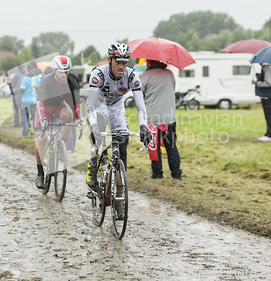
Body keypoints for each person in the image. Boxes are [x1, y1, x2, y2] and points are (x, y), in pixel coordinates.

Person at [85, 43, 151, 189]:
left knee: (122, 144)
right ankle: (93, 164)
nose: (121, 66)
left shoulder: (132, 75)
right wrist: (94, 126)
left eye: (124, 62)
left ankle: (120, 189)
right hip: (98, 106)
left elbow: (141, 107)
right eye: (118, 62)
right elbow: (90, 105)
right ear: (109, 60)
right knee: (98, 138)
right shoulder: (98, 74)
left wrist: (143, 127)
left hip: (116, 108)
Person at [34, 55, 83, 189]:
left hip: (58, 105)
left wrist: (80, 120)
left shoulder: (72, 81)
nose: (64, 74)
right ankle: (40, 174)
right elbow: (40, 102)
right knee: (41, 138)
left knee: (69, 115)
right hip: (44, 108)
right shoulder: (46, 80)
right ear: (54, 71)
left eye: (66, 71)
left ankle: (62, 143)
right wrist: (43, 119)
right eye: (60, 71)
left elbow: (77, 103)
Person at [140, 59, 182, 180]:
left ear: (149, 62)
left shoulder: (145, 76)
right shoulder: (169, 74)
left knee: (154, 146)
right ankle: (176, 173)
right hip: (169, 117)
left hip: (152, 117)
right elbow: (172, 90)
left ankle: (157, 173)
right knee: (171, 145)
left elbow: (139, 93)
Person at [252, 64, 271, 141]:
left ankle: (270, 134)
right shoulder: (267, 68)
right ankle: (269, 133)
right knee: (268, 115)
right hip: (267, 95)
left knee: (268, 115)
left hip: (266, 95)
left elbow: (268, 83)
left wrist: (256, 82)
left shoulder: (267, 68)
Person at [20, 61, 41, 137]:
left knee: (25, 117)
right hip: (35, 101)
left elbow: (21, 90)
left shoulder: (25, 79)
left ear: (27, 70)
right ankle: (36, 133)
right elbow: (41, 90)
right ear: (34, 70)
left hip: (25, 101)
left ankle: (26, 133)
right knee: (35, 118)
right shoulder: (38, 79)